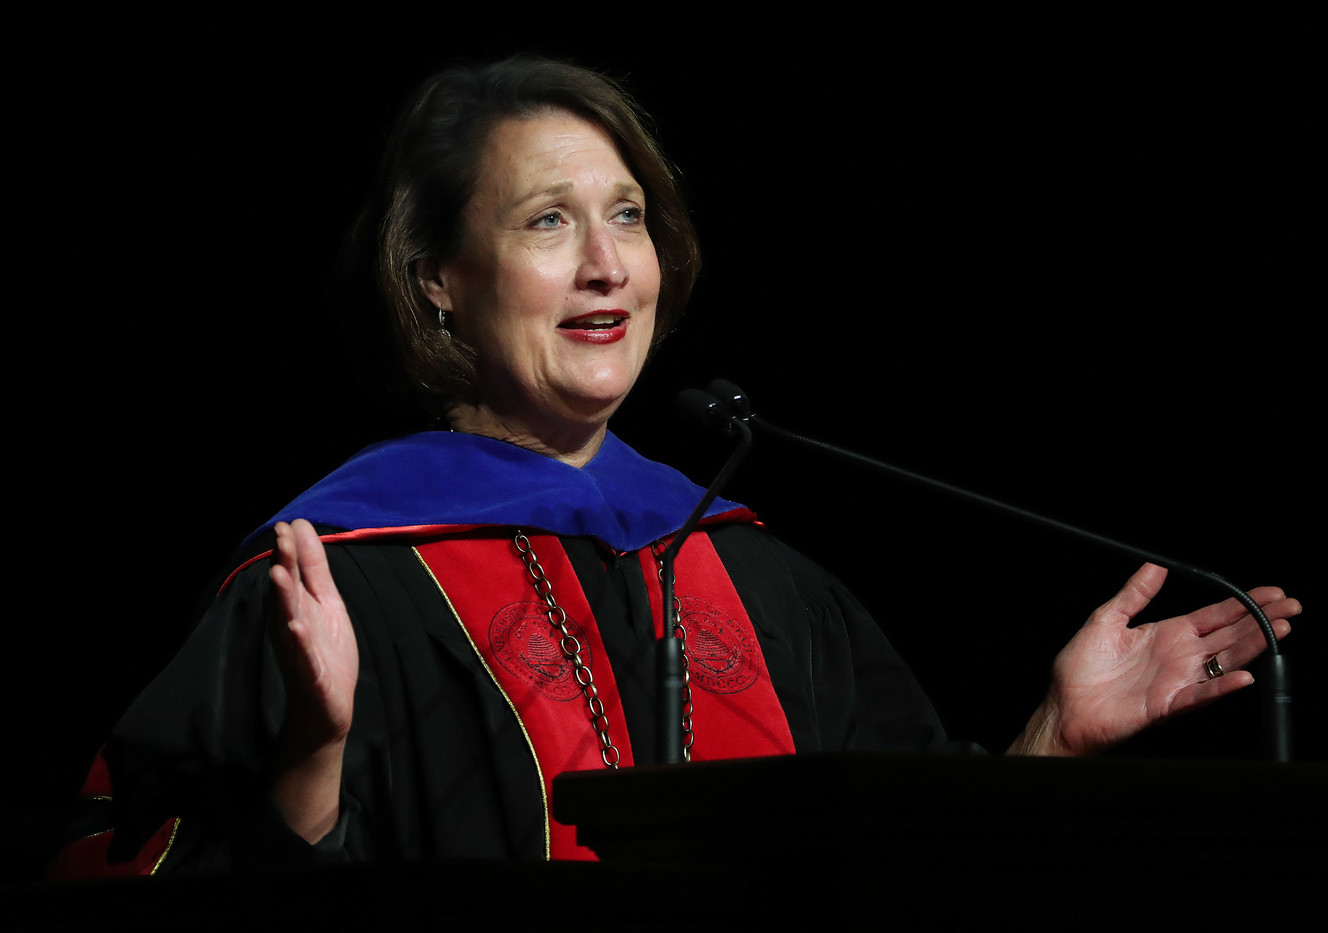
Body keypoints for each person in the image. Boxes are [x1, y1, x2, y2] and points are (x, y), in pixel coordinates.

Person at [50, 55, 1299, 876]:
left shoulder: (755, 577)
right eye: (548, 220)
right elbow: (133, 882)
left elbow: (892, 877)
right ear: (436, 279)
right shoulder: (333, 579)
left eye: (628, 215)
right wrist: (314, 752)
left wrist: (1051, 744)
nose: (606, 264)